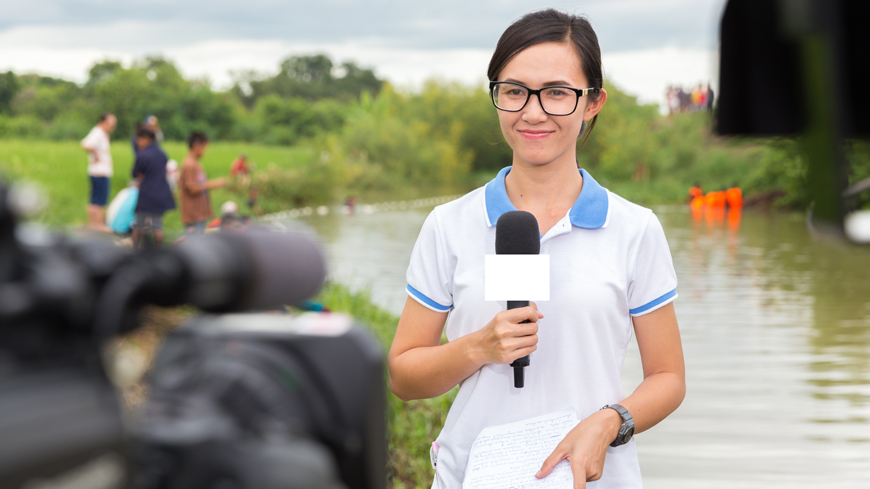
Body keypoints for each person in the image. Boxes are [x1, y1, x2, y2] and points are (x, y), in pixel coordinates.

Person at [388, 10, 685, 489]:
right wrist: (477, 348)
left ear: (592, 103)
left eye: (557, 93)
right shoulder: (449, 226)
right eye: (514, 91)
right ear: (497, 98)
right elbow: (404, 376)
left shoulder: (634, 230)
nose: (533, 112)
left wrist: (610, 421)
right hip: (474, 477)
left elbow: (668, 378)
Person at [131, 125, 175, 248]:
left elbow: (135, 173)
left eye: (138, 139)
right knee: (157, 225)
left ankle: (135, 249)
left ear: (145, 138)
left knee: (138, 224)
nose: (137, 143)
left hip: (147, 193)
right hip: (161, 193)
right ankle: (158, 252)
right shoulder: (162, 153)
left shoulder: (142, 155)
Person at [180, 132, 226, 234]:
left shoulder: (196, 163)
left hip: (199, 215)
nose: (205, 151)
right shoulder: (189, 165)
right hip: (193, 216)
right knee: (194, 245)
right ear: (197, 146)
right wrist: (213, 184)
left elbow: (200, 183)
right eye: (204, 147)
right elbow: (192, 189)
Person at [80, 113, 117, 231]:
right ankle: (97, 225)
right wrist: (95, 155)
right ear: (102, 122)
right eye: (110, 124)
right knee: (98, 200)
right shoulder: (97, 132)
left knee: (97, 199)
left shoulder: (101, 133)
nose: (112, 127)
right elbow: (85, 144)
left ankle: (95, 224)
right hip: (99, 171)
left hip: (100, 171)